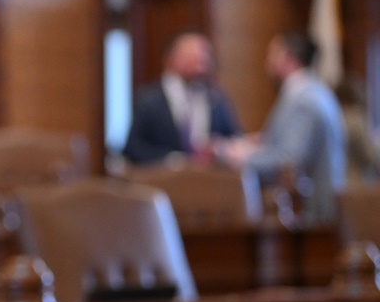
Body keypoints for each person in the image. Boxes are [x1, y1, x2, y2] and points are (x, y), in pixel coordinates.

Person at [219, 31, 347, 225]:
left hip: (313, 214)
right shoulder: (311, 91)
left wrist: (239, 156)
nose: (268, 62)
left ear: (288, 59)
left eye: (272, 54)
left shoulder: (303, 98)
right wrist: (259, 142)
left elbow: (289, 159)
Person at [122, 30, 242, 165]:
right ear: (170, 59)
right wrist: (173, 160)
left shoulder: (216, 98)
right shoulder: (149, 100)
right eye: (190, 56)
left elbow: (234, 138)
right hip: (164, 179)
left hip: (207, 179)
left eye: (203, 57)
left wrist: (219, 148)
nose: (199, 63)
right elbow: (133, 148)